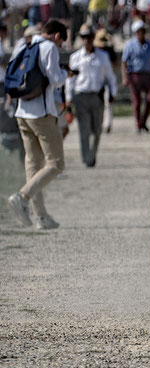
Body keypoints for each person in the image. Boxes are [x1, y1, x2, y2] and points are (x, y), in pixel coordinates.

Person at [8, 19, 69, 230]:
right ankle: (22, 197)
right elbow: (55, 78)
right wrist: (65, 74)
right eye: (61, 43)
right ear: (57, 36)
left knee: (33, 164)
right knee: (56, 163)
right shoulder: (49, 47)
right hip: (41, 113)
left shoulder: (24, 44)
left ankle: (40, 216)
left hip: (21, 111)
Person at [66, 24, 117, 168]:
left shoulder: (103, 56)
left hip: (97, 97)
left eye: (88, 36)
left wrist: (112, 93)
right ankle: (86, 157)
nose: (86, 40)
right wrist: (68, 99)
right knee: (84, 129)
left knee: (97, 130)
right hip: (80, 96)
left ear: (93, 37)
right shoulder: (75, 57)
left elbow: (110, 77)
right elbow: (70, 80)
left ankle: (92, 154)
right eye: (83, 37)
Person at [121, 19, 150, 134]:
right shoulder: (130, 45)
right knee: (137, 101)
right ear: (136, 32)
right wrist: (125, 77)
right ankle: (138, 124)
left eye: (143, 31)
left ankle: (144, 121)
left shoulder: (149, 45)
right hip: (134, 74)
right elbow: (124, 62)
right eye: (139, 31)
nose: (141, 33)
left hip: (147, 75)